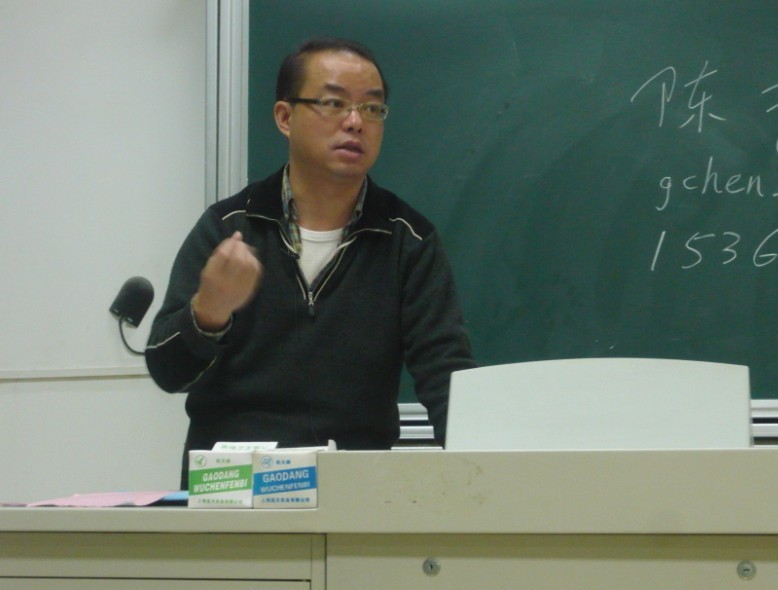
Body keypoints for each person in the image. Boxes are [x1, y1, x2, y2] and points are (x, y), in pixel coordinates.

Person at [145, 36, 476, 487]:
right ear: (285, 117)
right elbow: (166, 372)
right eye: (334, 103)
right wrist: (209, 312)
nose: (355, 122)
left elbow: (445, 376)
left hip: (354, 488)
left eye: (372, 108)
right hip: (232, 489)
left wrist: (485, 479)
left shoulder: (407, 240)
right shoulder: (229, 227)